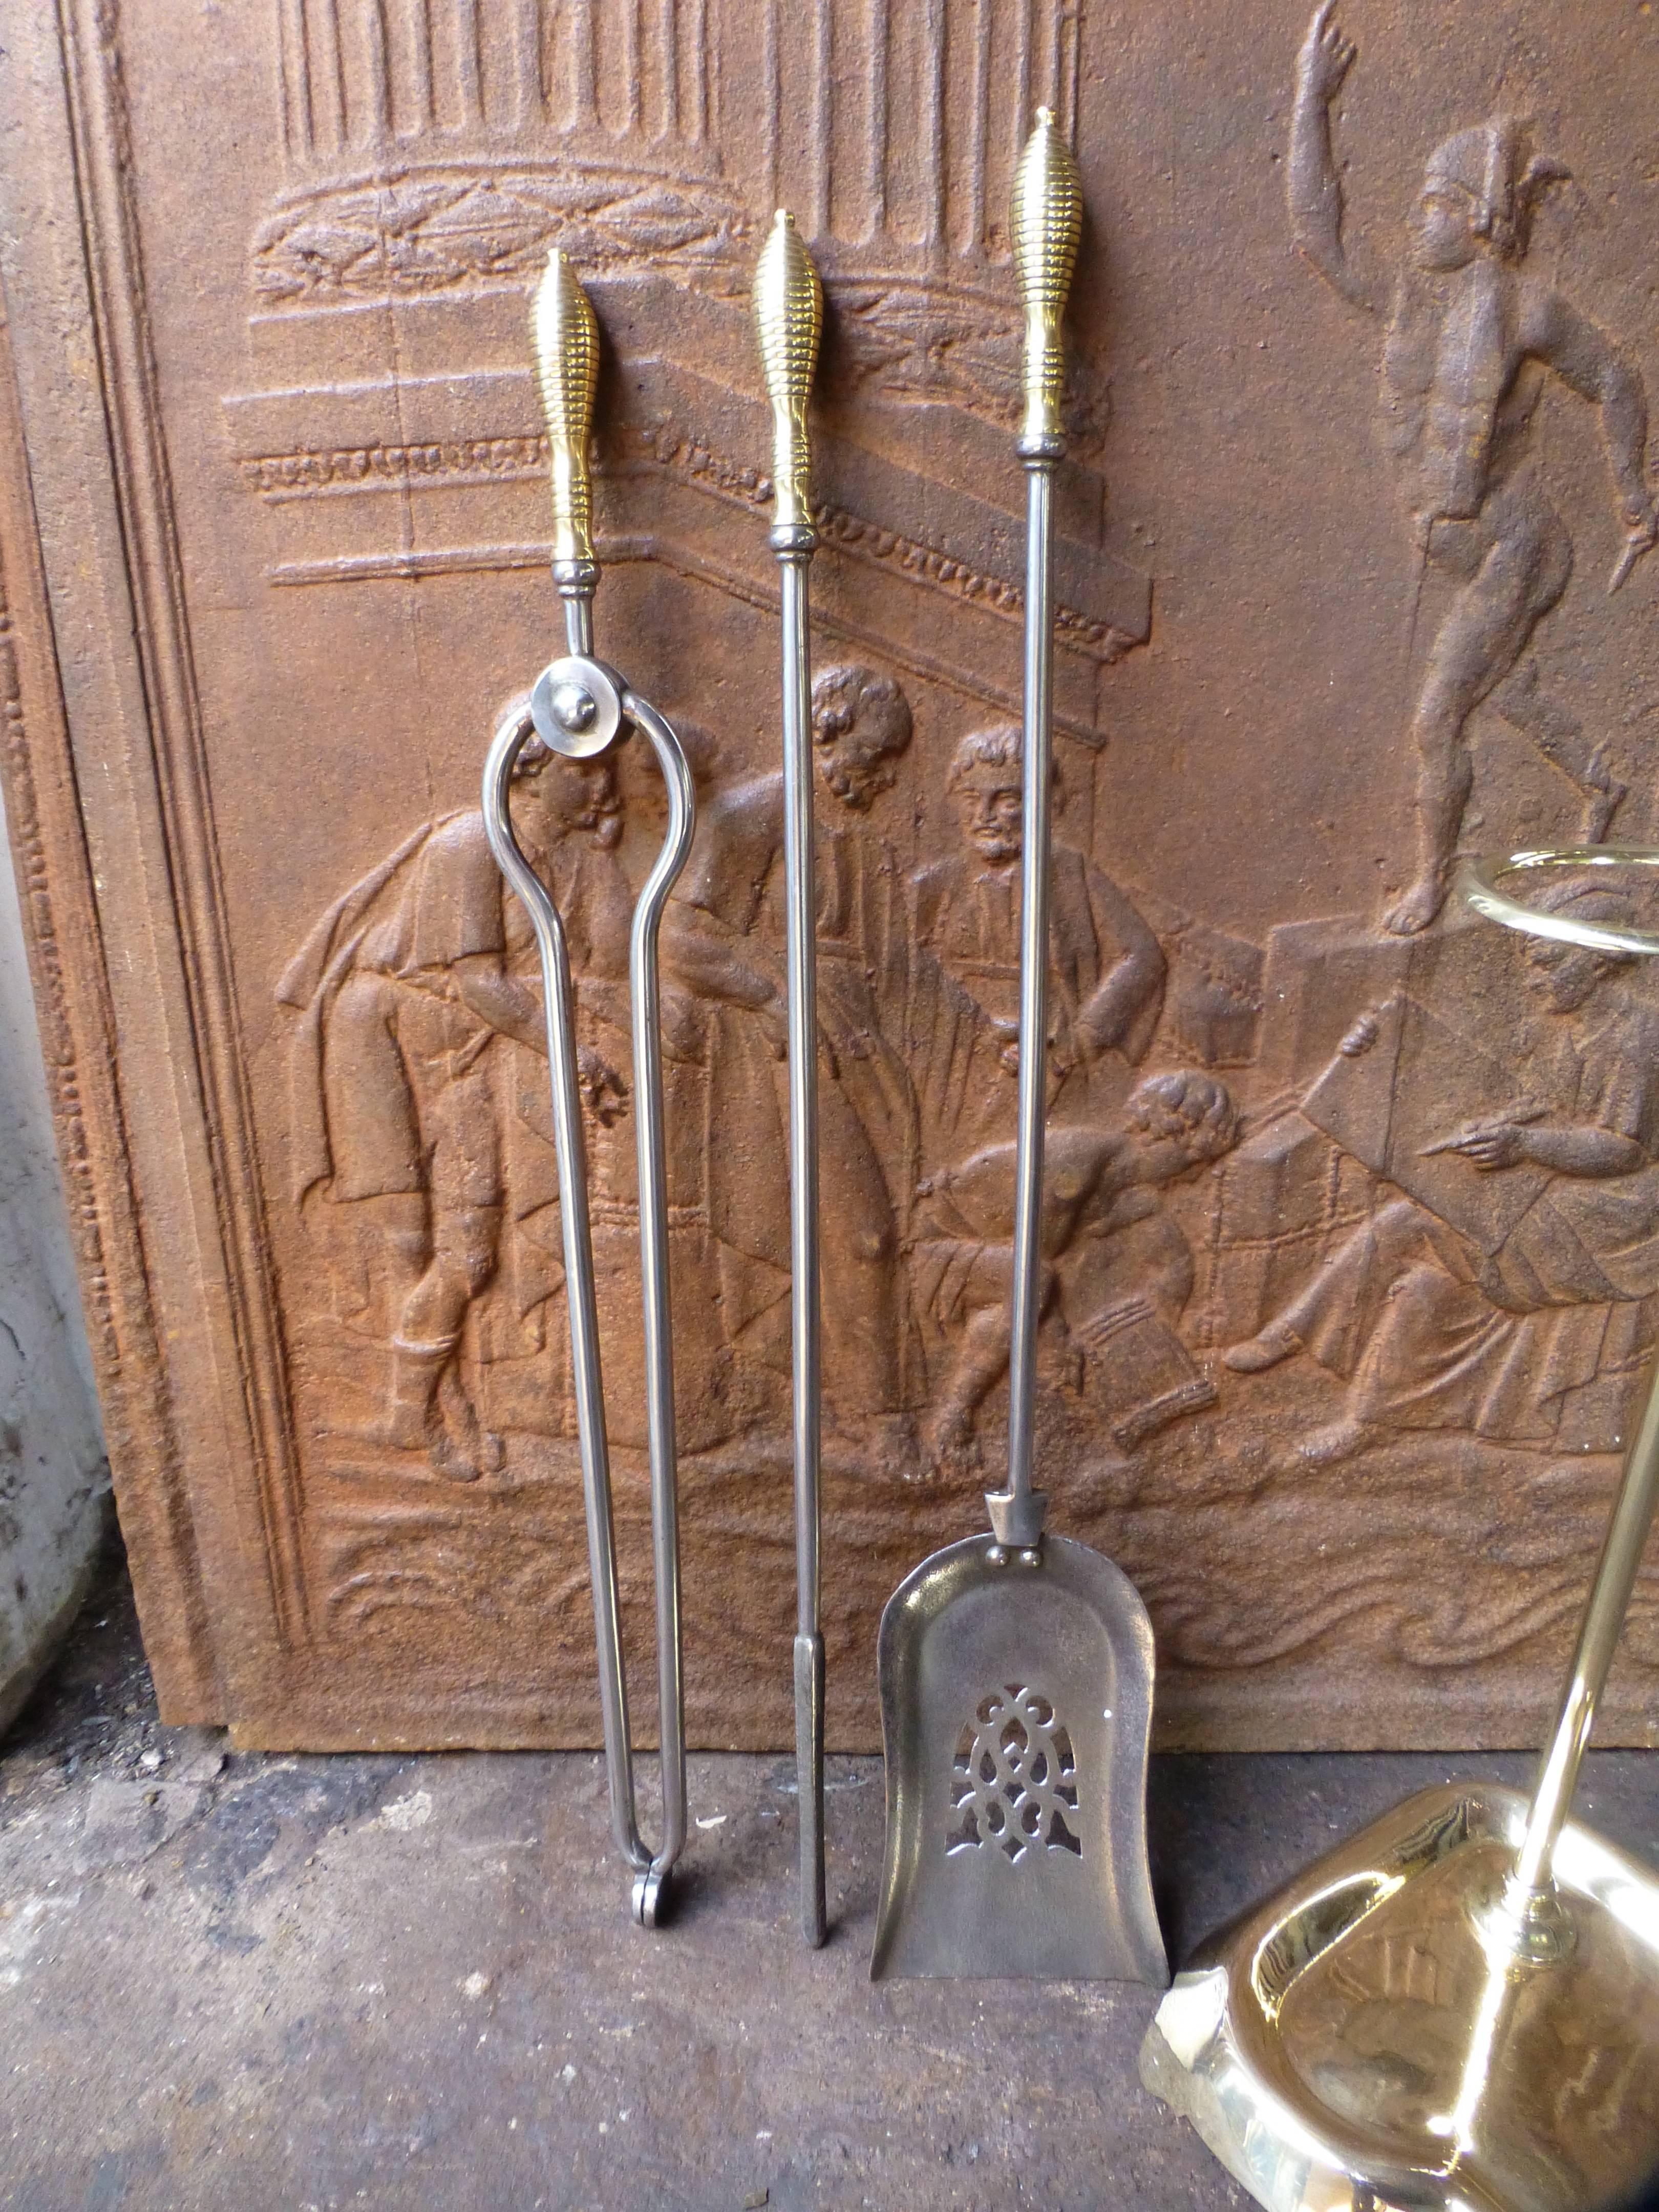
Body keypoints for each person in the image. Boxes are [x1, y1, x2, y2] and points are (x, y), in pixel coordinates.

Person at [1288, 4, 1657, 935]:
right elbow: (1319, 230)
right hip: (1465, 547)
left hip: (1517, 546)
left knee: (1437, 717)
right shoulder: (1409, 298)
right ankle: (1603, 785)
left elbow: (1615, 375)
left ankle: (1431, 884)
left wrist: (1634, 494)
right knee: (1509, 689)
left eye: (1435, 204)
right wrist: (1310, 101)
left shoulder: (1525, 310)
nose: (1418, 219)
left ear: (1481, 216)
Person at [280, 722, 631, 1480]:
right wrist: (573, 1050)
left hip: (463, 1053)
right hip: (386, 1045)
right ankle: (430, 1415)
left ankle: (423, 1413)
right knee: (417, 1243)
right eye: (588, 770)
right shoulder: (472, 843)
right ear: (530, 773)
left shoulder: (562, 857)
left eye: (609, 770)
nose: (605, 786)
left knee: (467, 1248)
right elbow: (480, 983)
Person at [1225, 882, 1659, 1461]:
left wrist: (1525, 1144)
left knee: (1415, 1227)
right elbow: (1495, 1088)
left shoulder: (1637, 1037)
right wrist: (1369, 1052)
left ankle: (1312, 1359)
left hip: (1617, 1219)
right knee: (1413, 1237)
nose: (1532, 980)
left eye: (1548, 962)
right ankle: (1310, 1354)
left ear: (1600, 958)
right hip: (1556, 1189)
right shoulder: (1561, 1031)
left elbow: (1622, 1150)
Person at [665, 663, 926, 1459]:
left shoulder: (854, 835)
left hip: (856, 1048)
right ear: (827, 732)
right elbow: (680, 941)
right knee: (860, 1231)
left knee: (879, 1232)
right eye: (872, 758)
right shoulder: (755, 815)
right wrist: (770, 997)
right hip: (783, 1060)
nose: (881, 779)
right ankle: (876, 1418)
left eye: (890, 766)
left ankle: (849, 1409)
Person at [913, 1070, 1237, 1475]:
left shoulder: (1130, 1192)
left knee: (1047, 1287)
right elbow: (1035, 1262)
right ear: (1161, 1135)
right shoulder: (1075, 1167)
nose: (1193, 1174)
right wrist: (1061, 1343)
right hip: (931, 1248)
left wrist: (1169, 1323)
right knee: (1034, 1285)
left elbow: (1173, 1262)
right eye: (1192, 1157)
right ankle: (954, 1415)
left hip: (989, 1265)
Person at [912, 723, 1164, 1114]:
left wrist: (1077, 1043)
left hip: (1051, 1066)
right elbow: (901, 971)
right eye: (971, 797)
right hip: (953, 1064)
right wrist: (975, 1030)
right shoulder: (934, 886)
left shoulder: (1071, 873)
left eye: (1006, 799)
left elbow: (1143, 957)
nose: (985, 815)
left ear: (1040, 802)